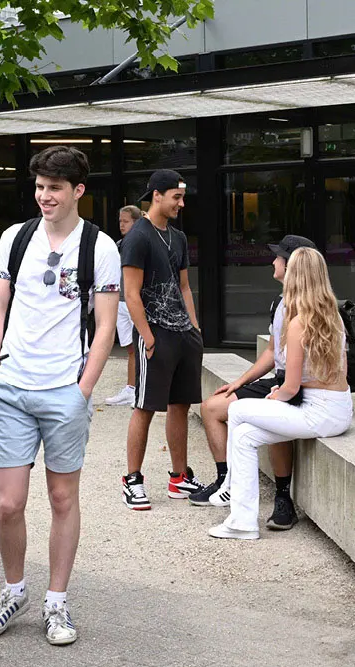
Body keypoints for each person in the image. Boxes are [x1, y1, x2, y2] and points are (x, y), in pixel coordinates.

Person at [0, 146, 120, 646]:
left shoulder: (100, 247)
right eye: (39, 187)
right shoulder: (15, 238)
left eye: (54, 188)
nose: (44, 196)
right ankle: (13, 590)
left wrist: (83, 390)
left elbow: (105, 328)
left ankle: (56, 601)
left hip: (64, 391)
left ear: (78, 190)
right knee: (8, 503)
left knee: (62, 498)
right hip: (11, 387)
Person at [207, 246, 353, 540]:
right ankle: (241, 521)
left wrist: (274, 396)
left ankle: (230, 488)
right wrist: (281, 392)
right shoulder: (333, 316)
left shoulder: (299, 322)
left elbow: (291, 387)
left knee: (237, 409)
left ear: (295, 275)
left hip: (317, 412)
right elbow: (327, 374)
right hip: (338, 408)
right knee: (245, 435)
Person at [188, 234, 316, 530]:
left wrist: (284, 391)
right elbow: (272, 352)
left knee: (276, 419)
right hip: (280, 379)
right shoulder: (280, 302)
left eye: (278, 257)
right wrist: (239, 382)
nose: (273, 261)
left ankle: (283, 498)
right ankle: (226, 480)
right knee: (211, 407)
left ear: (292, 265)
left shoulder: (311, 306)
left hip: (305, 386)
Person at [120, 169, 205, 511]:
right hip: (155, 333)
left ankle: (179, 477)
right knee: (144, 407)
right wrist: (147, 336)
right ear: (157, 195)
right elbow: (131, 293)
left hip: (183, 335)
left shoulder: (178, 238)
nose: (181, 204)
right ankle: (132, 480)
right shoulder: (138, 237)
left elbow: (184, 286)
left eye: (182, 197)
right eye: (176, 197)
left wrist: (194, 329)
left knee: (180, 405)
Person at [105, 204, 144, 406]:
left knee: (144, 346)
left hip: (136, 301)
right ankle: (131, 389)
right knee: (131, 349)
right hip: (120, 301)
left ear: (136, 222)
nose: (121, 225)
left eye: (125, 221)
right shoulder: (118, 245)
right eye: (120, 221)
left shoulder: (144, 243)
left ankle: (146, 391)